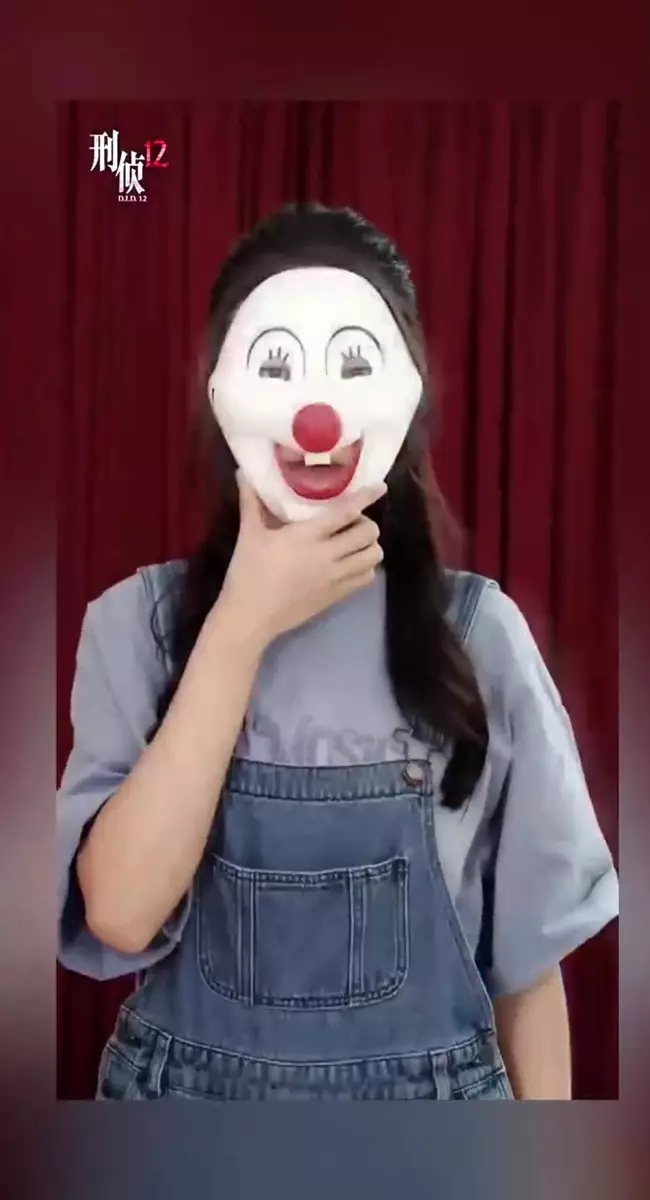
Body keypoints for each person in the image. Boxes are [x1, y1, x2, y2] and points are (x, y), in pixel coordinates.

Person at [57, 202, 618, 1101]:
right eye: (275, 365)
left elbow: (526, 973)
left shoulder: (478, 638)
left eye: (354, 364)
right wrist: (240, 625)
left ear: (408, 391)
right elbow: (120, 913)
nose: (314, 417)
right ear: (218, 391)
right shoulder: (137, 628)